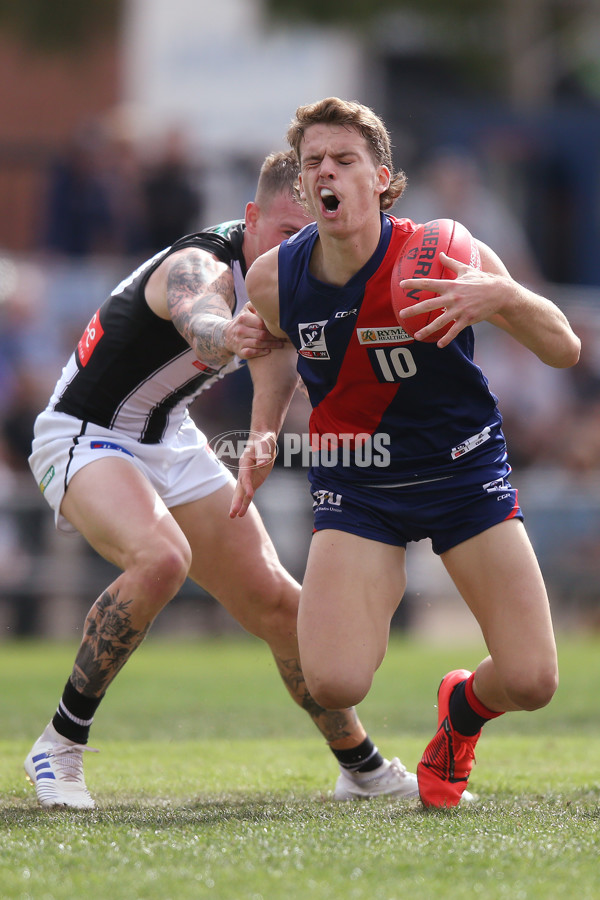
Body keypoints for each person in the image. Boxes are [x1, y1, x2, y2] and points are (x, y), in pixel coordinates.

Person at [24, 150, 419, 809]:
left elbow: (274, 360)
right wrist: (223, 331)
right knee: (161, 560)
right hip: (81, 430)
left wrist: (263, 434)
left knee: (281, 604)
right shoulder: (199, 264)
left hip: (166, 433)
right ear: (251, 218)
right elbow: (200, 320)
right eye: (287, 232)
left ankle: (361, 765)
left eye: (310, 235)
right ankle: (60, 744)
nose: (299, 248)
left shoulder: (291, 278)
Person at [230, 98, 581, 808]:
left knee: (533, 682)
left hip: (463, 473)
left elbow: (564, 347)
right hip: (359, 484)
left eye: (344, 160)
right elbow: (269, 345)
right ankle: (372, 597)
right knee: (333, 682)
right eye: (312, 164)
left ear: (382, 179)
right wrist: (264, 429)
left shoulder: (445, 249)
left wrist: (502, 295)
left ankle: (462, 712)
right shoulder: (275, 276)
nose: (326, 173)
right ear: (302, 189)